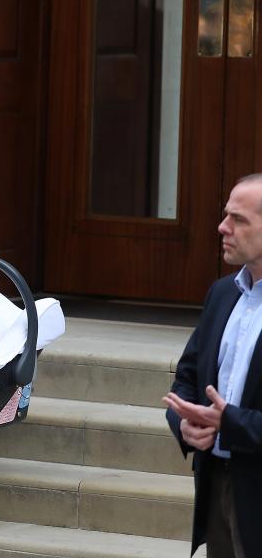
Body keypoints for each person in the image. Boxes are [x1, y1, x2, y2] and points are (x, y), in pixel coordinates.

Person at [164, 174, 262, 558]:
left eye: (238, 219)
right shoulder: (222, 294)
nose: (223, 227)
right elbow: (187, 378)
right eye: (226, 216)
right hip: (217, 484)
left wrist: (230, 423)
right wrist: (187, 424)